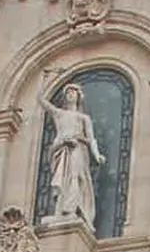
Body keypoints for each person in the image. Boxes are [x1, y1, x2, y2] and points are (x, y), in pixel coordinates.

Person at [38, 82, 105, 228]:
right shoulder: (59, 114)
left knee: (75, 177)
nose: (70, 95)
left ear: (79, 96)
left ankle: (71, 210)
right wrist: (44, 79)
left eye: (73, 92)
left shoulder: (83, 118)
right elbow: (42, 101)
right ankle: (59, 212)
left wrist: (97, 154)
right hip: (61, 149)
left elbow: (91, 138)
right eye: (68, 93)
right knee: (62, 179)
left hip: (78, 148)